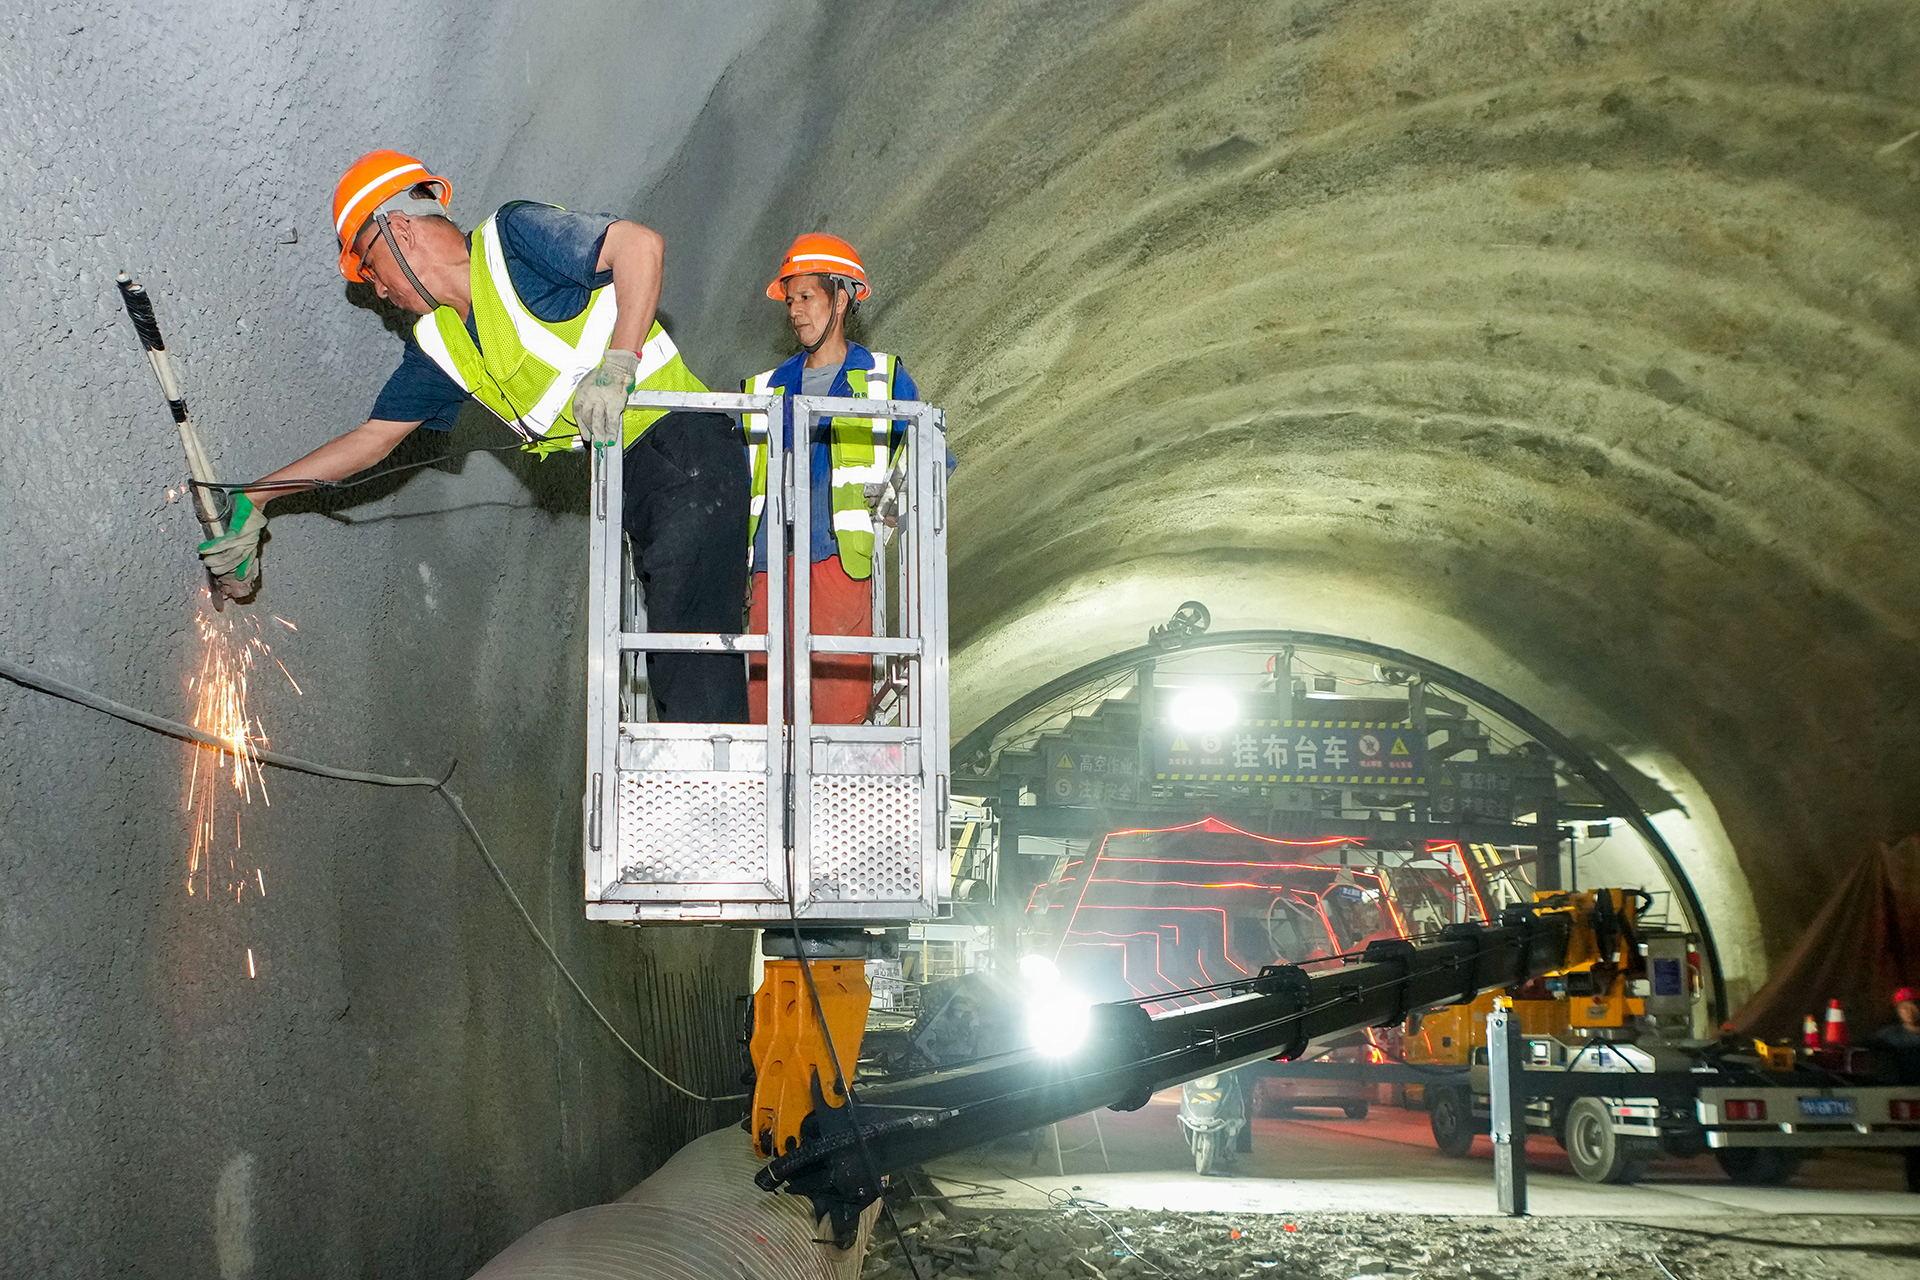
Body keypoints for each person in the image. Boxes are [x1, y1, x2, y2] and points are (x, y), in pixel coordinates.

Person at [195, 150, 747, 722]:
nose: (377, 291)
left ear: (401, 230)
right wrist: (254, 498)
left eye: (369, 264)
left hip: (683, 444)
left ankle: (723, 795)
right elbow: (373, 440)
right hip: (634, 483)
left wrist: (618, 365)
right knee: (679, 649)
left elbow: (639, 246)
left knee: (689, 648)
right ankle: (715, 782)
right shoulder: (439, 344)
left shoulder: (513, 241)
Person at [742, 234, 922, 725]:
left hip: (841, 559)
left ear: (840, 299)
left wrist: (881, 519)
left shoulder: (883, 379)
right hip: (772, 559)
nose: (795, 311)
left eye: (807, 297)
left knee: (839, 703)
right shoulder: (764, 389)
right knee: (767, 702)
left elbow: (928, 459)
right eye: (790, 300)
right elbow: (744, 477)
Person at [1869, 985, 1920, 1192]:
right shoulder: (1888, 1037)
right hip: (1907, 1098)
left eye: (1912, 1006)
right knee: (1914, 1147)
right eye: (1903, 1008)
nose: (1908, 1012)